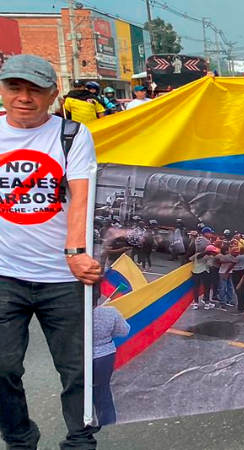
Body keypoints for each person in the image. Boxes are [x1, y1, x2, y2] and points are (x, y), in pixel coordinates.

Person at [0, 54, 103, 450]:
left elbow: (81, 197)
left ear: (52, 95)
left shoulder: (72, 135)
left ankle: (80, 441)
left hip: (64, 277)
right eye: (15, 87)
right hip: (6, 274)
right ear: (3, 91)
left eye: (35, 89)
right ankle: (20, 438)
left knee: (77, 371)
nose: (24, 98)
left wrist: (76, 251)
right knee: (3, 367)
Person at [91, 298, 129, 426]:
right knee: (103, 390)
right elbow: (124, 331)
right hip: (105, 356)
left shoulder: (69, 313)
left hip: (77, 356)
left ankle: (80, 427)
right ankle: (107, 426)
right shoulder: (110, 312)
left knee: (77, 392)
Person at [191, 244, 220, 310]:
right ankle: (206, 303)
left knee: (196, 288)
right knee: (207, 287)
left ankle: (196, 303)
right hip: (205, 272)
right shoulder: (209, 257)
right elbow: (209, 265)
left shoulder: (197, 255)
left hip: (195, 272)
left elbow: (190, 259)